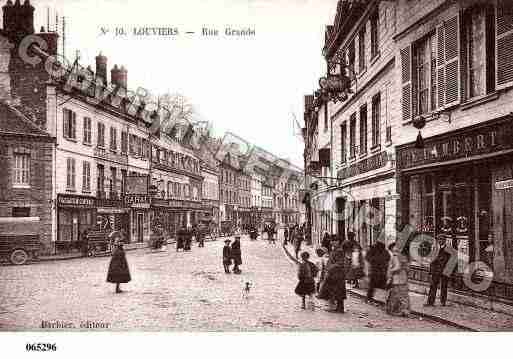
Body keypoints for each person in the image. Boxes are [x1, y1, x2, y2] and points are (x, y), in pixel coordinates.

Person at [425, 235, 454, 307]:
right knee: (433, 286)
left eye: (442, 239)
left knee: (444, 286)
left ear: (445, 240)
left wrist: (449, 271)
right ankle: (430, 302)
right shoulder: (435, 249)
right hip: (436, 270)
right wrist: (431, 271)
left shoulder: (449, 249)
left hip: (444, 270)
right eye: (439, 240)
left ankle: (443, 302)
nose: (440, 241)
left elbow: (452, 261)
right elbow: (431, 260)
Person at [318, 245, 347, 313]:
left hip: (338, 275)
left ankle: (340, 308)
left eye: (335, 241)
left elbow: (340, 263)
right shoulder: (334, 251)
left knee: (338, 291)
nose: (333, 243)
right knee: (335, 291)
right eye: (332, 241)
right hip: (334, 274)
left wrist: (331, 267)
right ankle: (338, 307)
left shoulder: (339, 251)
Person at [386, 242, 411, 317]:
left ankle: (403, 311)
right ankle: (401, 310)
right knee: (402, 295)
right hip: (403, 278)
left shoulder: (396, 256)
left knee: (400, 295)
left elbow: (397, 267)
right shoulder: (403, 257)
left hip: (397, 279)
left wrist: (390, 270)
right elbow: (407, 268)